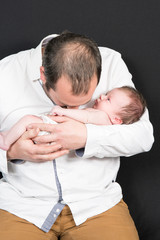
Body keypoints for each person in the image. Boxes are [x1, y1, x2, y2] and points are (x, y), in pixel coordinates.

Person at [0, 32, 154, 240]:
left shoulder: (111, 62)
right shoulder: (5, 72)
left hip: (97, 205)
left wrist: (86, 137)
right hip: (21, 206)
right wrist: (10, 153)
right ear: (43, 75)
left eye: (84, 101)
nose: (74, 109)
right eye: (65, 104)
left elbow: (143, 136)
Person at [0, 86, 146, 151]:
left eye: (108, 99)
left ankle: (6, 141)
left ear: (116, 120)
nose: (102, 96)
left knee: (27, 119)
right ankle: (8, 137)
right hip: (56, 132)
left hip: (53, 128)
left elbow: (83, 116)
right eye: (106, 94)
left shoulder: (102, 117)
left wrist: (62, 111)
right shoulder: (101, 119)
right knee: (27, 125)